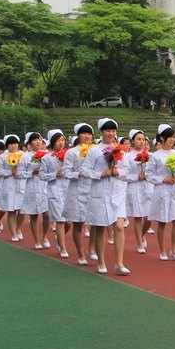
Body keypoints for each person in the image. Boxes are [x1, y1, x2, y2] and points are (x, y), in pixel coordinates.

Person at [81, 118, 131, 275]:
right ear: (101, 132)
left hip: (117, 192)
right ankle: (101, 262)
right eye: (108, 130)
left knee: (119, 226)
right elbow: (85, 170)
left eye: (113, 131)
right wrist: (101, 174)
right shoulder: (94, 151)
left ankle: (119, 263)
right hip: (100, 191)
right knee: (101, 228)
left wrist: (118, 172)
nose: (111, 133)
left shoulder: (121, 150)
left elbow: (127, 171)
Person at [146, 124, 175, 260]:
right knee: (162, 221)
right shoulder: (155, 156)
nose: (172, 140)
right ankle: (162, 250)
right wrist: (163, 179)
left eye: (174, 137)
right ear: (162, 138)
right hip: (162, 190)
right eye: (169, 137)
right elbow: (149, 175)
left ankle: (173, 249)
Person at [63, 123, 96, 265]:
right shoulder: (71, 153)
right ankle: (80, 254)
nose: (87, 136)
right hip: (77, 190)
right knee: (78, 223)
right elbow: (66, 172)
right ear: (78, 135)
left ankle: (91, 249)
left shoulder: (96, 151)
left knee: (95, 221)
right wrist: (80, 173)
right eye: (84, 133)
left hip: (93, 189)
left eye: (89, 134)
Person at [39, 130, 71, 258]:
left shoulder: (69, 155)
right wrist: (54, 175)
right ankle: (62, 248)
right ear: (52, 142)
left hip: (67, 189)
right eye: (58, 140)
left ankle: (59, 236)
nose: (61, 143)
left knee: (68, 222)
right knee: (59, 220)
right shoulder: (47, 158)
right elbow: (42, 175)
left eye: (62, 140)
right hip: (54, 190)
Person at [122, 129, 153, 254]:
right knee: (138, 217)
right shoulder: (128, 157)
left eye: (143, 139)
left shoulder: (150, 156)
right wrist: (136, 177)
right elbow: (124, 175)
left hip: (148, 187)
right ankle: (139, 243)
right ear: (132, 141)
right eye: (138, 139)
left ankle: (142, 234)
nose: (141, 142)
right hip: (134, 188)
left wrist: (148, 176)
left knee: (150, 216)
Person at [18, 132, 49, 248]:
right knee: (34, 215)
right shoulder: (26, 156)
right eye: (35, 140)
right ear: (30, 143)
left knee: (47, 214)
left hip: (45, 185)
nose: (38, 142)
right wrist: (31, 173)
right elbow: (20, 173)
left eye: (39, 140)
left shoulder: (47, 154)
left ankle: (44, 236)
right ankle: (37, 240)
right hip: (32, 186)